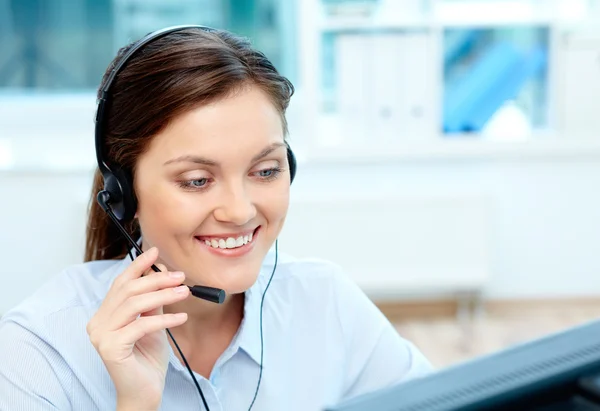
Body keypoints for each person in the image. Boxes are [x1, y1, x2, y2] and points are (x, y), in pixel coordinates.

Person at [0, 26, 433, 411]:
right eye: (196, 180)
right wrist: (135, 405)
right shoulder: (38, 351)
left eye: (265, 171)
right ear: (124, 195)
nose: (240, 210)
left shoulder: (326, 304)